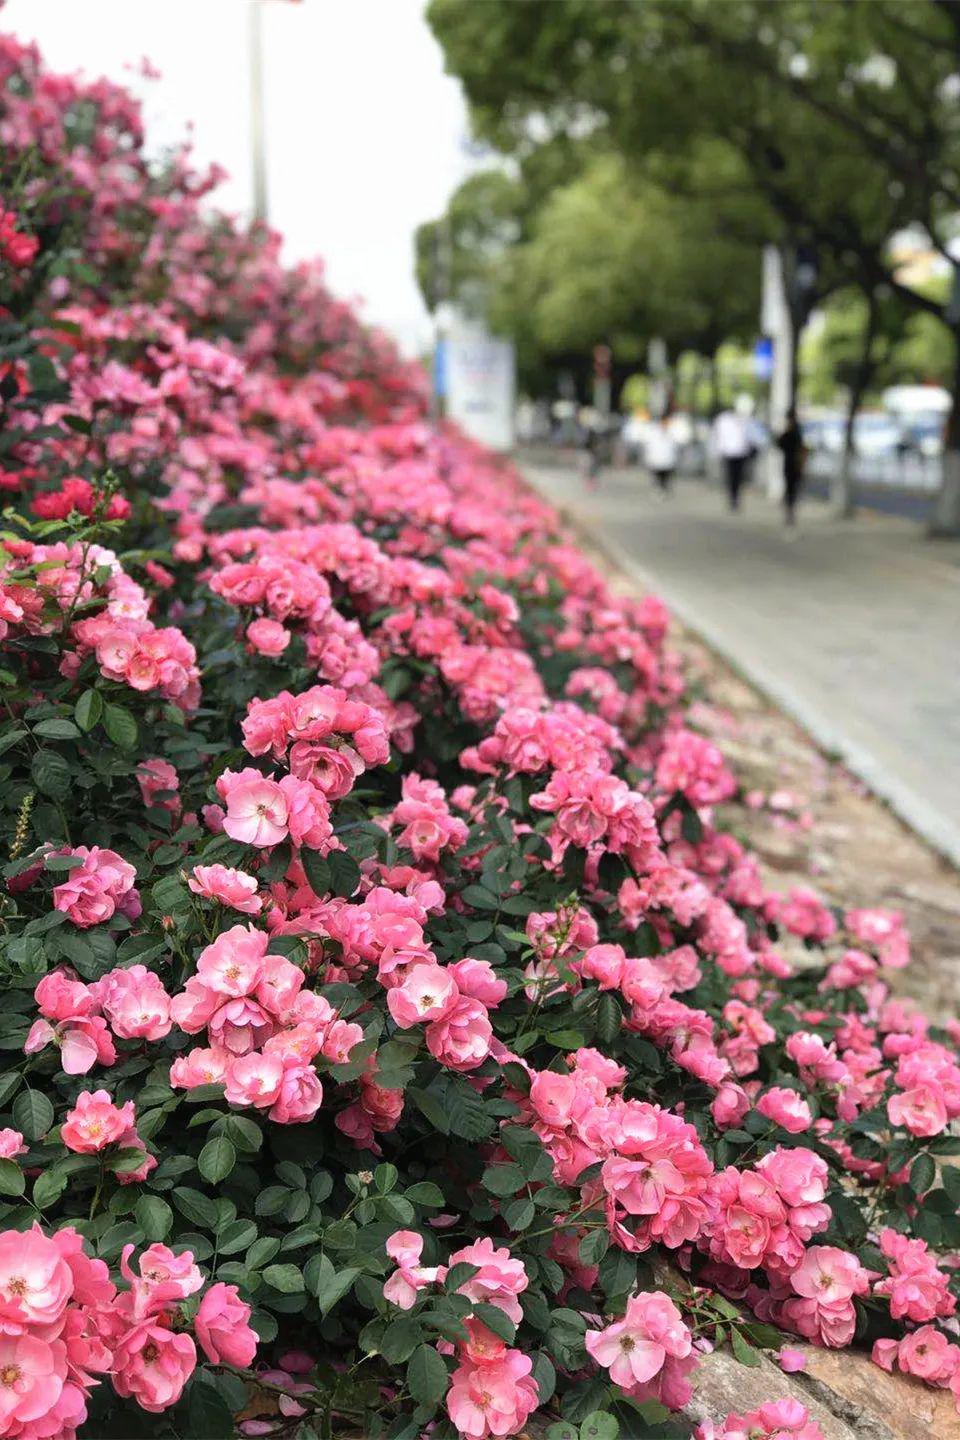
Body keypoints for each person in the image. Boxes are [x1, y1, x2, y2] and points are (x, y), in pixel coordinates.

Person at [711, 399, 754, 510]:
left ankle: (736, 497)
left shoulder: (744, 419)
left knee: (739, 477)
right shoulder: (723, 419)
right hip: (729, 453)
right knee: (731, 477)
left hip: (741, 452)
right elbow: (719, 436)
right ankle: (732, 498)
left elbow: (749, 435)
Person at [776, 405, 807, 526]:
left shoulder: (794, 431)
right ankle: (790, 511)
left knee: (791, 489)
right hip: (792, 464)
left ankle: (790, 511)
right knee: (791, 489)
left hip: (793, 464)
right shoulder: (796, 431)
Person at [644, 414, 678, 492]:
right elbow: (650, 445)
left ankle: (664, 488)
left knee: (666, 476)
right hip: (657, 459)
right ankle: (659, 488)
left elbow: (675, 446)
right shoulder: (654, 431)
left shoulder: (672, 431)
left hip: (668, 460)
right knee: (658, 475)